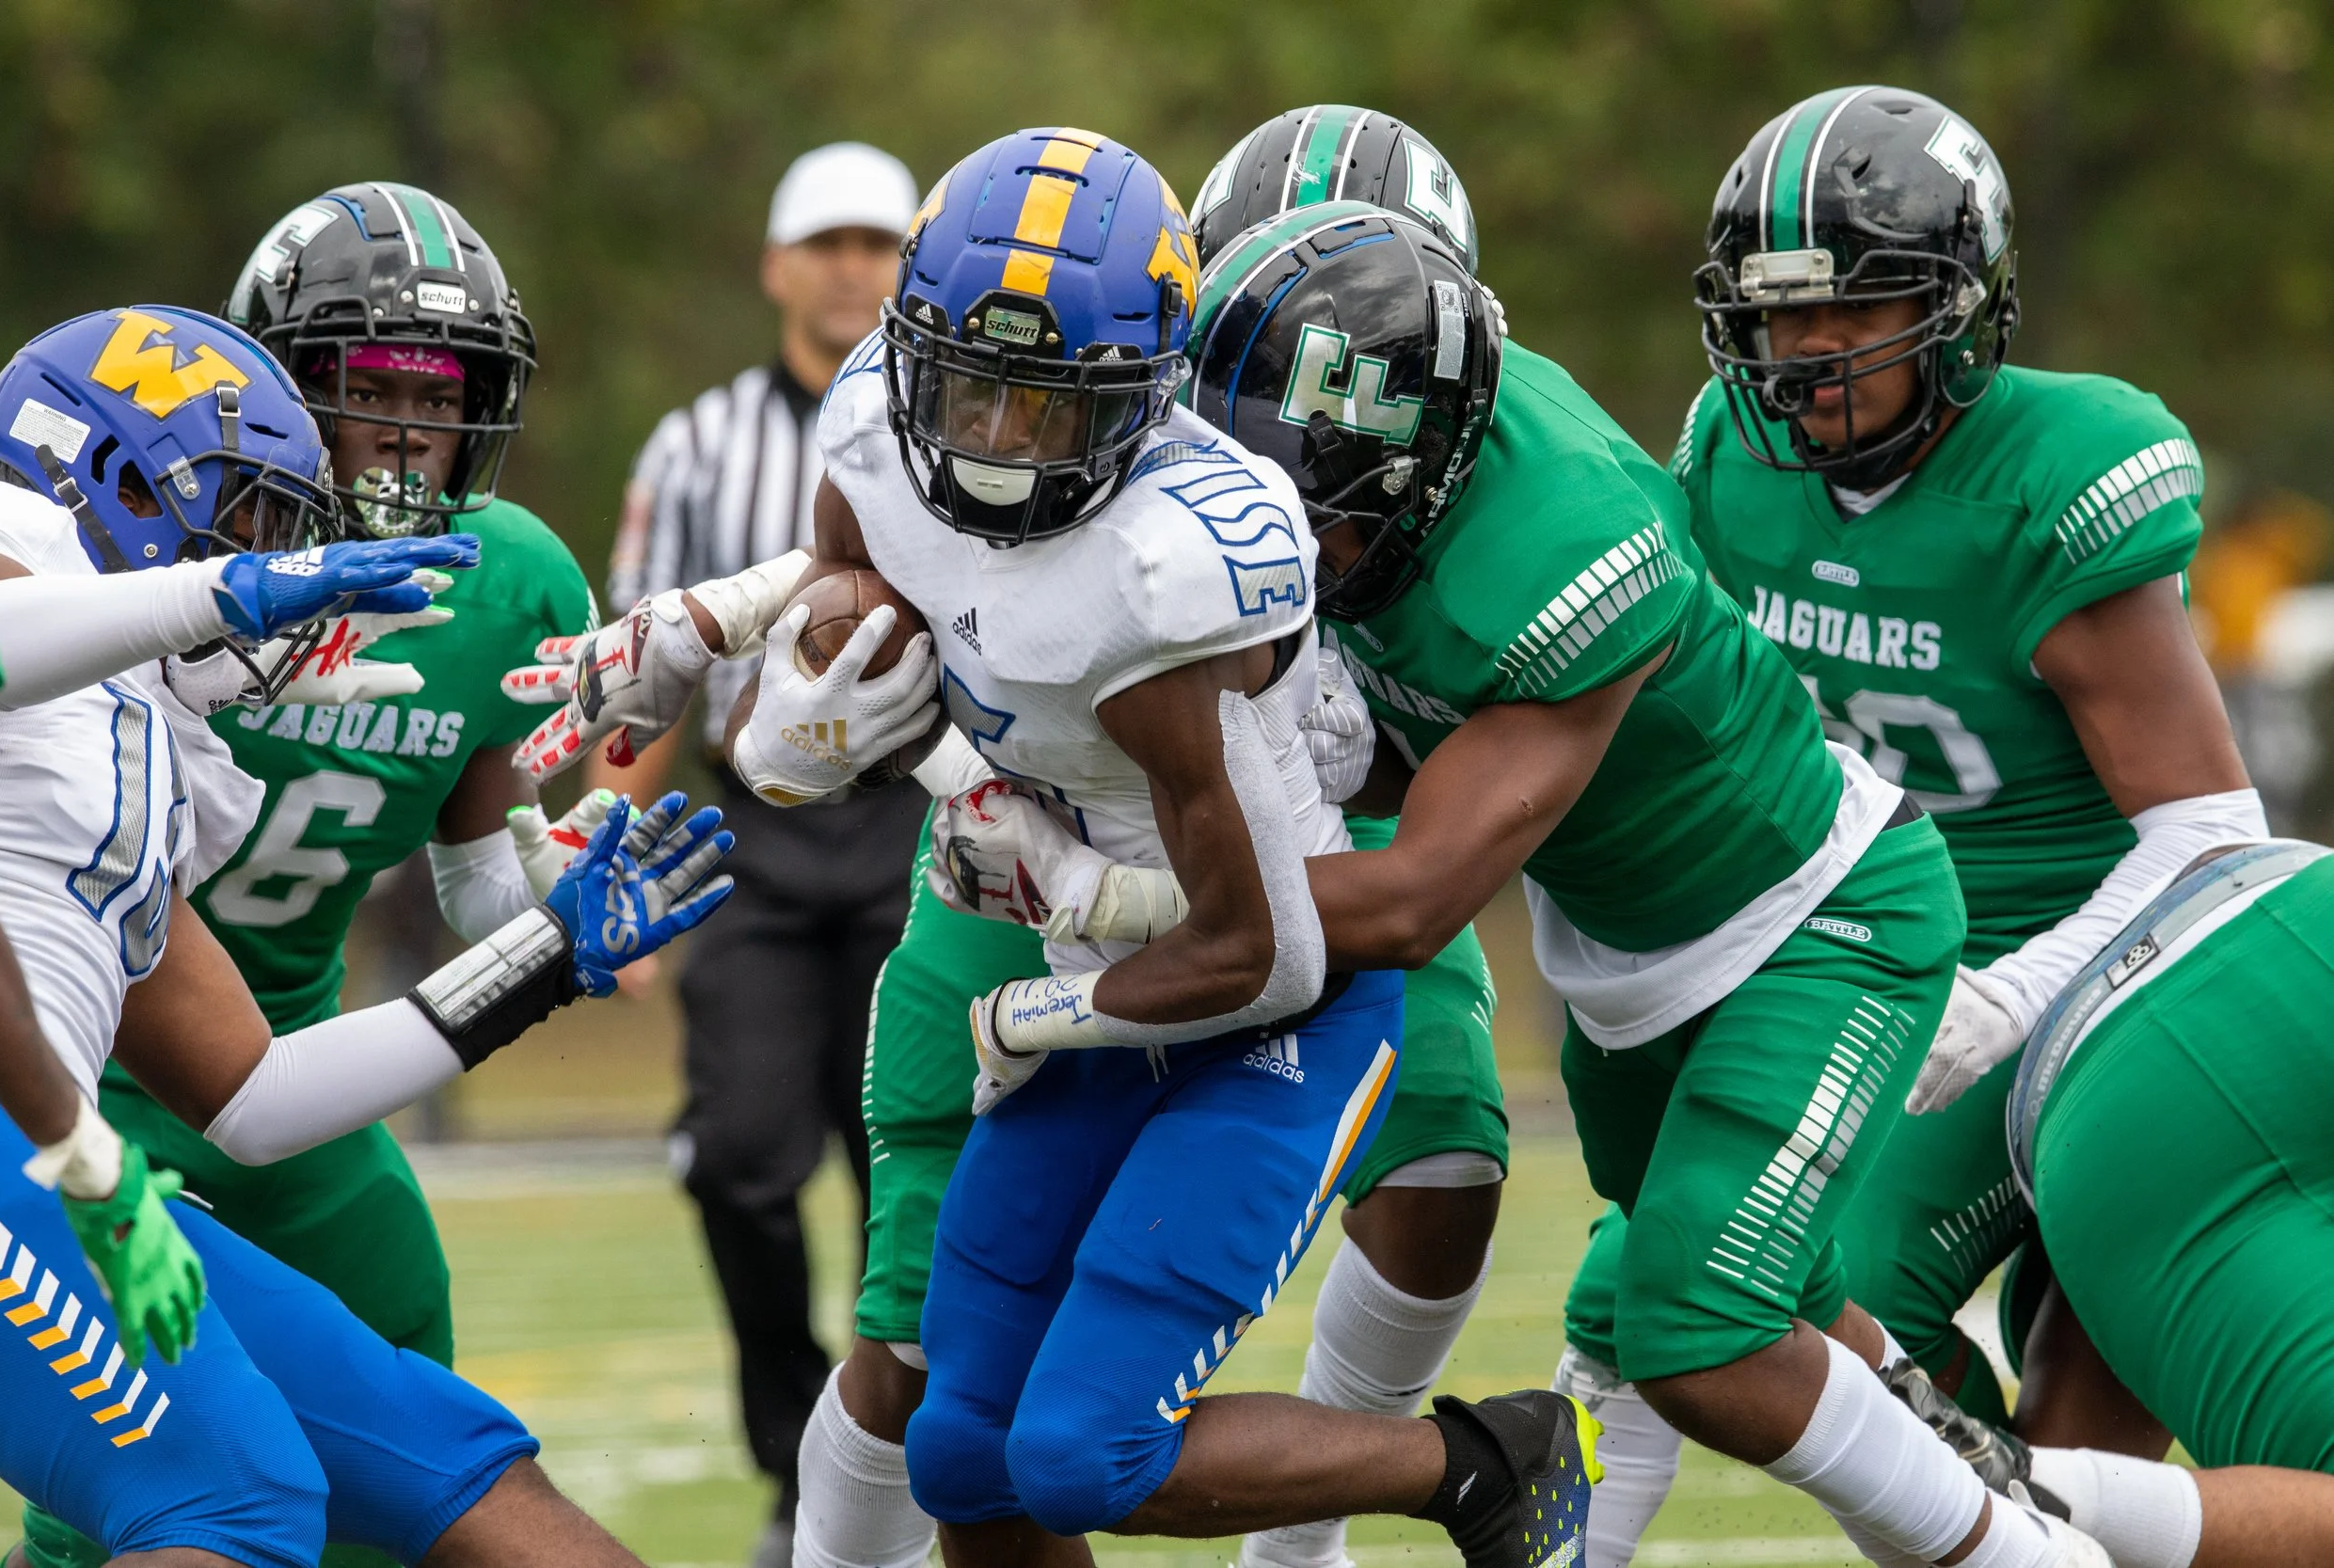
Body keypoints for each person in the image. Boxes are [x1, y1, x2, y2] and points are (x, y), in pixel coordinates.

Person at [976, 180, 2127, 1564]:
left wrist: (1102, 892)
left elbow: (1411, 900)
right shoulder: (1358, 459)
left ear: (1415, 475)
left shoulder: (1563, 543)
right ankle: (1958, 1443)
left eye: (1307, 523)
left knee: (1700, 1320)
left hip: (1813, 925)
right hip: (1627, 962)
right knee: (1739, 1295)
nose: (1271, 565)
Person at [712, 105, 1516, 1568]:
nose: (1001, 445)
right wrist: (777, 710)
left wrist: (1042, 992)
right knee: (954, 1434)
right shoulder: (873, 435)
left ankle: (1472, 1468)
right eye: (971, 391)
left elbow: (1265, 943)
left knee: (1084, 1444)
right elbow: (853, 603)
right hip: (1068, 935)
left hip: (1241, 963)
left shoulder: (1168, 571)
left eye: (1050, 405)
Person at [1550, 87, 2257, 1566]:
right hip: (1855, 952)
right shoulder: (1727, 458)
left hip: (2083, 982)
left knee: (1738, 1278)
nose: (1809, 352)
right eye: (1777, 313)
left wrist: (2008, 998)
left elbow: (2212, 834)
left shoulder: (2057, 476)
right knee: (1644, 1281)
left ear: (1963, 302)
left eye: (1858, 304)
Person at [0, 303, 732, 1568]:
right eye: (254, 515)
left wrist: (544, 953)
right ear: (117, 485)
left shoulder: (128, 748)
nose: (280, 559)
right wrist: (213, 589)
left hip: (59, 1155)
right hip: (34, 1145)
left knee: (461, 1466)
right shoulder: (15, 546)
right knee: (233, 1498)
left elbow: (257, 1092)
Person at [529, 141, 922, 1562]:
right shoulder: (697, 442)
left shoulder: (966, 430)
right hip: (743, 835)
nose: (852, 268)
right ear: (776, 265)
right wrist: (606, 852)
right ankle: (798, 1461)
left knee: (909, 1160)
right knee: (737, 1156)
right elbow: (646, 670)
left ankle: (899, 1463)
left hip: (918, 827)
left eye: (880, 243)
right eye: (827, 243)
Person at [1885, 838, 2334, 1568]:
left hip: (2274, 912)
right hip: (2110, 1093)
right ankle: (2009, 1489)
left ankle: (2013, 1488)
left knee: (2062, 1521)